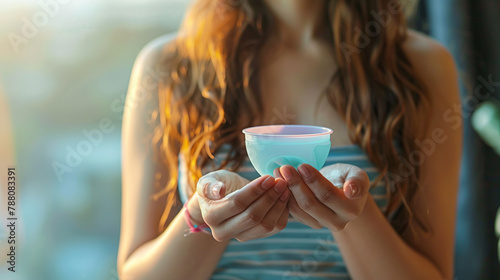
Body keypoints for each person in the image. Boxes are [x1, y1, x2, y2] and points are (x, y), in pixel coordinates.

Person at [117, 0, 462, 279]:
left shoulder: (422, 65)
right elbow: (136, 273)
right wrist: (201, 217)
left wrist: (352, 212)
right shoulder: (169, 66)